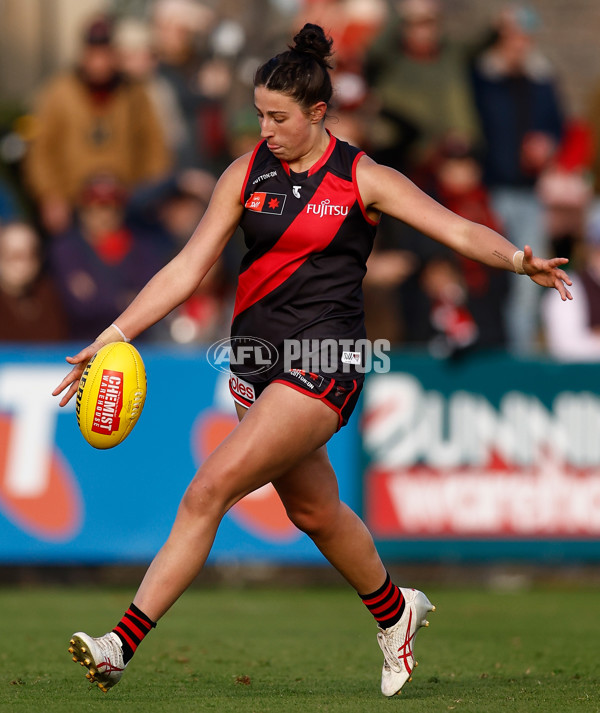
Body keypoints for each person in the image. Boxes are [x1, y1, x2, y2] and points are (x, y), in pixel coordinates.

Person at [53, 24, 572, 698]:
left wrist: (516, 258)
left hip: (324, 361)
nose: (263, 128)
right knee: (317, 513)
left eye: (278, 117)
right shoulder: (245, 173)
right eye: (258, 113)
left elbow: (453, 226)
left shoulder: (362, 176)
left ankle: (120, 643)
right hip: (254, 365)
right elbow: (186, 268)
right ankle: (395, 610)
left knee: (208, 489)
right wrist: (113, 334)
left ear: (317, 114)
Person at [24, 14, 171, 235]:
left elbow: (154, 146)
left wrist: (151, 191)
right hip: (73, 202)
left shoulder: (133, 93)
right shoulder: (58, 92)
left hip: (125, 201)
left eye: (106, 53)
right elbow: (40, 150)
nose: (99, 61)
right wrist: (50, 195)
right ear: (83, 53)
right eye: (94, 53)